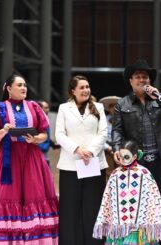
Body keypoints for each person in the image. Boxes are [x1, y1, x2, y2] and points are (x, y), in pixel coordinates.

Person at [0, 74, 59, 244]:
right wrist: (4, 131)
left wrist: (36, 139)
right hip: (7, 159)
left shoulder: (34, 107)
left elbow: (44, 134)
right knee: (6, 196)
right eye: (19, 85)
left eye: (25, 85)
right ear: (8, 88)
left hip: (31, 158)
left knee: (34, 194)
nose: (24, 88)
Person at [112, 59, 161, 245]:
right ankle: (139, 241)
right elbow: (117, 130)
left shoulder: (160, 99)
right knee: (138, 203)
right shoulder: (122, 104)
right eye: (138, 77)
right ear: (131, 81)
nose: (142, 80)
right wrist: (117, 149)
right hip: (136, 162)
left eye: (145, 77)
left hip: (160, 159)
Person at [55, 75, 108, 245]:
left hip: (94, 163)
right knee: (70, 208)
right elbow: (59, 134)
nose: (86, 90)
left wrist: (91, 151)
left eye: (87, 86)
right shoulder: (64, 108)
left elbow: (103, 133)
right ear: (73, 91)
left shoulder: (98, 107)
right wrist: (77, 149)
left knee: (93, 206)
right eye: (82, 87)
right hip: (70, 165)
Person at [93, 140, 161, 245]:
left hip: (140, 230)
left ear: (135, 156)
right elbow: (108, 200)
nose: (123, 160)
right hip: (119, 229)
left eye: (126, 157)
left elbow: (153, 200)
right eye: (120, 156)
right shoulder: (115, 175)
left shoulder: (144, 174)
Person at [99, 96, 121, 180]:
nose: (114, 108)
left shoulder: (124, 119)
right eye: (111, 106)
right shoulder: (103, 120)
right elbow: (100, 135)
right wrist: (107, 147)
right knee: (108, 172)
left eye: (116, 106)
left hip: (121, 148)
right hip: (107, 149)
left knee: (121, 171)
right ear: (109, 108)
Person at [37, 100, 60, 165]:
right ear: (40, 108)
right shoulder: (37, 120)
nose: (48, 109)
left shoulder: (45, 119)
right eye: (46, 108)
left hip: (44, 153)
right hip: (38, 153)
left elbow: (45, 136)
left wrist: (52, 144)